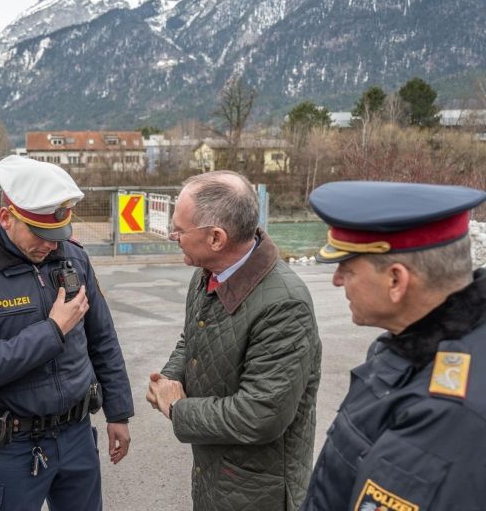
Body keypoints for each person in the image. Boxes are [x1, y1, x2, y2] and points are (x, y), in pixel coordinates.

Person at [0, 155, 134, 511]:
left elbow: (103, 339)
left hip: (77, 435)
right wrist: (53, 329)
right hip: (16, 444)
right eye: (40, 234)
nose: (51, 245)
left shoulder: (73, 258)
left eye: (58, 235)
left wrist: (118, 413)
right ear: (7, 218)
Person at [301, 180, 486, 510]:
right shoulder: (414, 342)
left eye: (347, 267)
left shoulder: (446, 415)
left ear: (396, 280)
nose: (337, 279)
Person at [146, 171, 322, 511]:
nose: (172, 236)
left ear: (216, 238)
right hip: (216, 478)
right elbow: (193, 336)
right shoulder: (208, 273)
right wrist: (168, 378)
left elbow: (260, 414)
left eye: (180, 230)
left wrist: (177, 408)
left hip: (259, 494)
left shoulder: (285, 305)